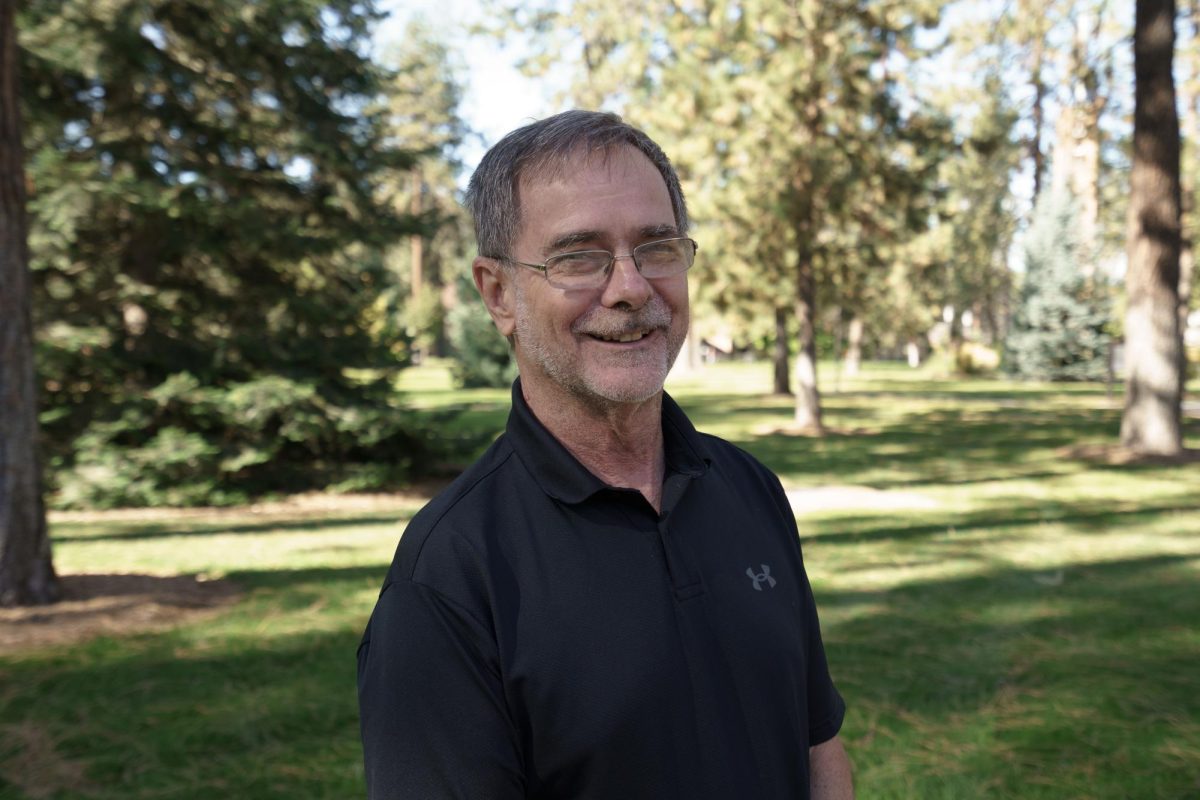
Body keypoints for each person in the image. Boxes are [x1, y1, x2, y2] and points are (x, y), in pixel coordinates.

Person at [357, 110, 853, 799]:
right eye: (578, 258)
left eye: (657, 247)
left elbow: (816, 742)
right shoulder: (451, 574)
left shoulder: (748, 489)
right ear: (498, 292)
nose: (629, 287)